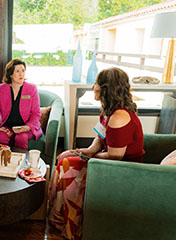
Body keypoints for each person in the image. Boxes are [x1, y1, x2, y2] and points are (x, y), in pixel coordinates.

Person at [48, 67, 145, 240]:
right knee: (64, 156)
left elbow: (116, 156)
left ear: (106, 88)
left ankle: (73, 226)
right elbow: (100, 138)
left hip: (123, 170)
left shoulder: (119, 117)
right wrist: (88, 151)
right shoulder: (108, 111)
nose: (93, 87)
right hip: (107, 159)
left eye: (96, 84)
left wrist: (91, 157)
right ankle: (59, 218)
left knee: (67, 165)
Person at [0, 59, 42, 150]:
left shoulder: (31, 88)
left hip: (25, 126)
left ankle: (21, 161)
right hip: (8, 125)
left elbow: (36, 113)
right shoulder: (1, 88)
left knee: (21, 138)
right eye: (17, 71)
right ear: (11, 74)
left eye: (23, 70)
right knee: (0, 137)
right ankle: (4, 161)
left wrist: (27, 127)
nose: (21, 74)